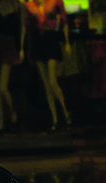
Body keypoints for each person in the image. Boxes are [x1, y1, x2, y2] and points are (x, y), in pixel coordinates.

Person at [23, 0, 72, 130]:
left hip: (50, 39)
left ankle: (65, 110)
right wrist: (27, 50)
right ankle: (54, 118)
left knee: (52, 80)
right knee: (46, 84)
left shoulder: (54, 2)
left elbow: (64, 21)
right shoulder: (30, 5)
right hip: (38, 41)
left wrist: (67, 42)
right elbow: (27, 28)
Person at [0, 0, 25, 133]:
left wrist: (21, 48)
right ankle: (1, 121)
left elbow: (21, 26)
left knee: (2, 86)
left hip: (9, 43)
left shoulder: (17, 4)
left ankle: (13, 113)